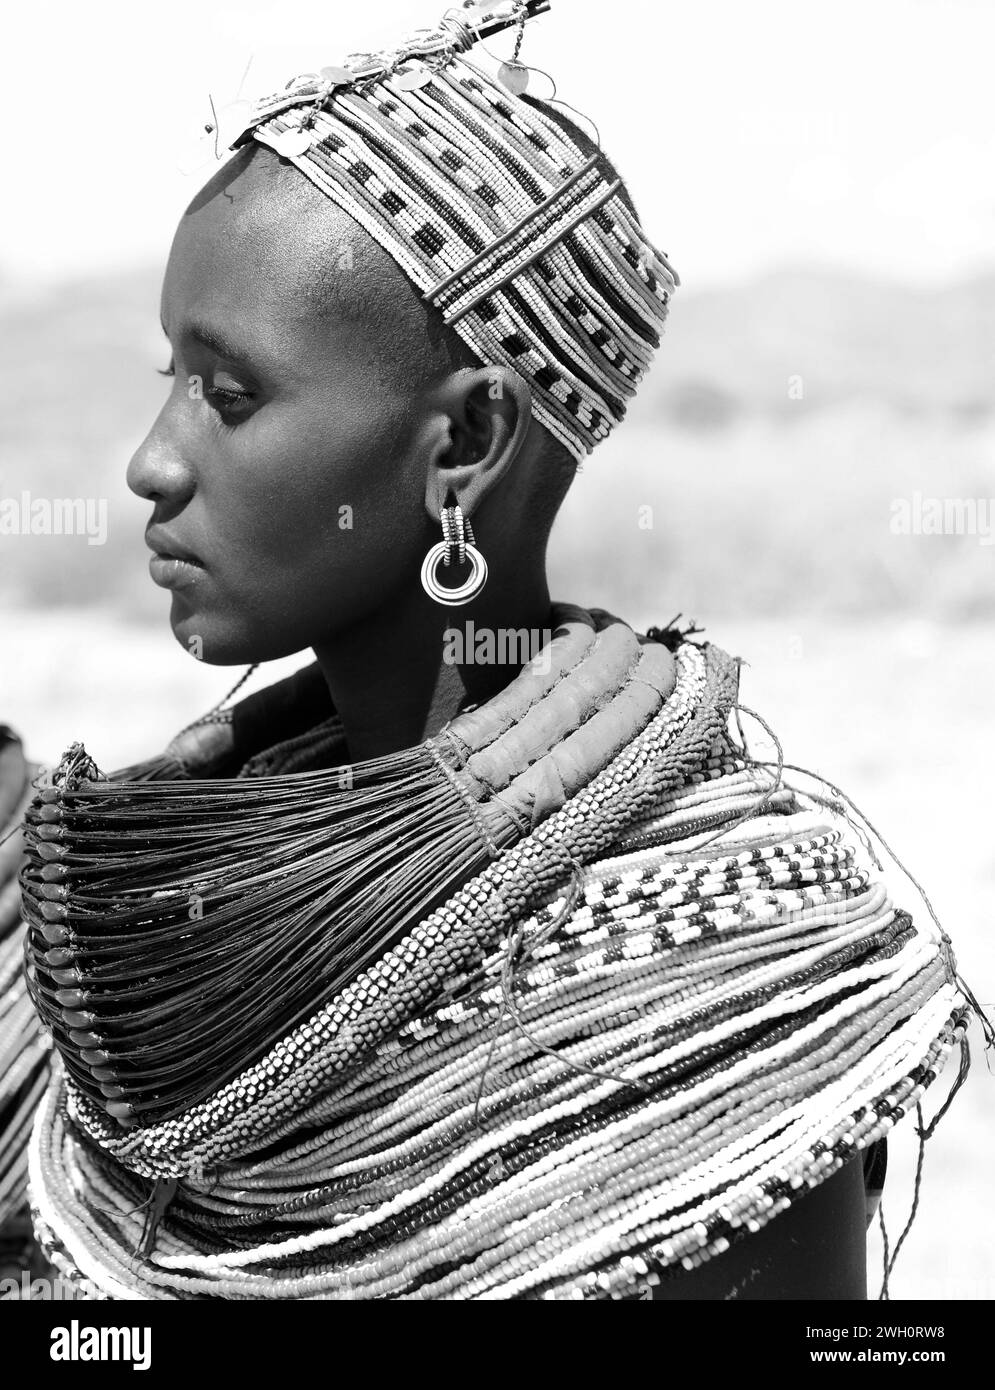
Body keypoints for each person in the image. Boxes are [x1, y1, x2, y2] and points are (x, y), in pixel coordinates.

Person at [0, 0, 974, 1300]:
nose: (153, 462)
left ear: (463, 447)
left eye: (230, 397)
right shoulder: (139, 910)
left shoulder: (724, 999)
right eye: (168, 378)